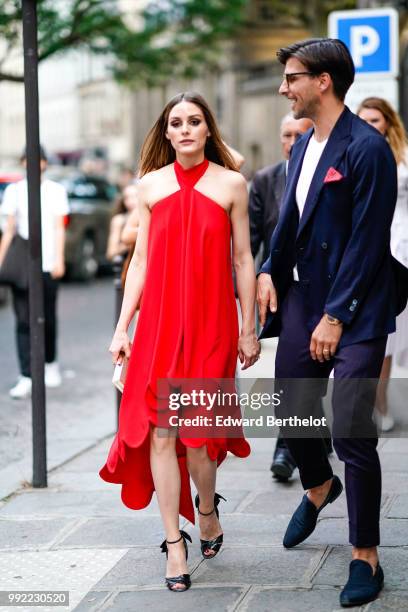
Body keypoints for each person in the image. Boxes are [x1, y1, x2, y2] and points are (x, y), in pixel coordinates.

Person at [257, 38, 405, 607]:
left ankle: (365, 556)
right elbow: (289, 219)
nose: (283, 88)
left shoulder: (367, 150)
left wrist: (336, 317)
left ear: (323, 81)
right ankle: (319, 485)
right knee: (290, 412)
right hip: (301, 298)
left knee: (350, 428)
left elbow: (369, 243)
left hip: (358, 308)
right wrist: (271, 268)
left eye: (291, 77)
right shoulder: (302, 149)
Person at [99, 92, 260, 592]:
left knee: (198, 442)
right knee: (162, 435)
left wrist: (247, 325)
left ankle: (206, 510)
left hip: (211, 327)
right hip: (159, 327)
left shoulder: (232, 183)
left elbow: (243, 260)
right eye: (176, 123)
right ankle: (174, 543)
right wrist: (123, 327)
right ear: (166, 134)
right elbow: (141, 262)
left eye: (195, 121)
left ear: (208, 129)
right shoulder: (149, 186)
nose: (186, 129)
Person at [249, 113, 315, 481]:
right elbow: (252, 240)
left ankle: (308, 439)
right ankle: (286, 444)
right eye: (285, 135)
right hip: (278, 290)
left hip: (317, 289)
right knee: (289, 375)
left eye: (298, 134)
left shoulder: (323, 174)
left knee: (311, 375)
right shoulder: (265, 179)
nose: (291, 142)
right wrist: (253, 282)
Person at [0, 146, 68, 399]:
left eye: (37, 160)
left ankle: (50, 363)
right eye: (27, 160)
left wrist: (60, 259)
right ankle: (26, 374)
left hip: (49, 263)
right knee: (23, 320)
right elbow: (9, 229)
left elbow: (60, 228)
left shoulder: (56, 191)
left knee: (47, 317)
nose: (32, 164)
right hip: (22, 266)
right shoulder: (14, 192)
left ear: (44, 163)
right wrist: (2, 261)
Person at [357, 97, 408, 432]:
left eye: (376, 120)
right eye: (364, 120)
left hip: (399, 247)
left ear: (388, 122)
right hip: (363, 248)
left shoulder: (403, 159)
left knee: (388, 335)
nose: (370, 125)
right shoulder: (353, 155)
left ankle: (381, 401)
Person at [106, 183, 139, 261]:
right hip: (123, 264)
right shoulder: (119, 220)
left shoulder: (147, 218)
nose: (131, 201)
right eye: (127, 198)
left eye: (135, 196)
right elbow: (111, 252)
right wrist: (130, 241)